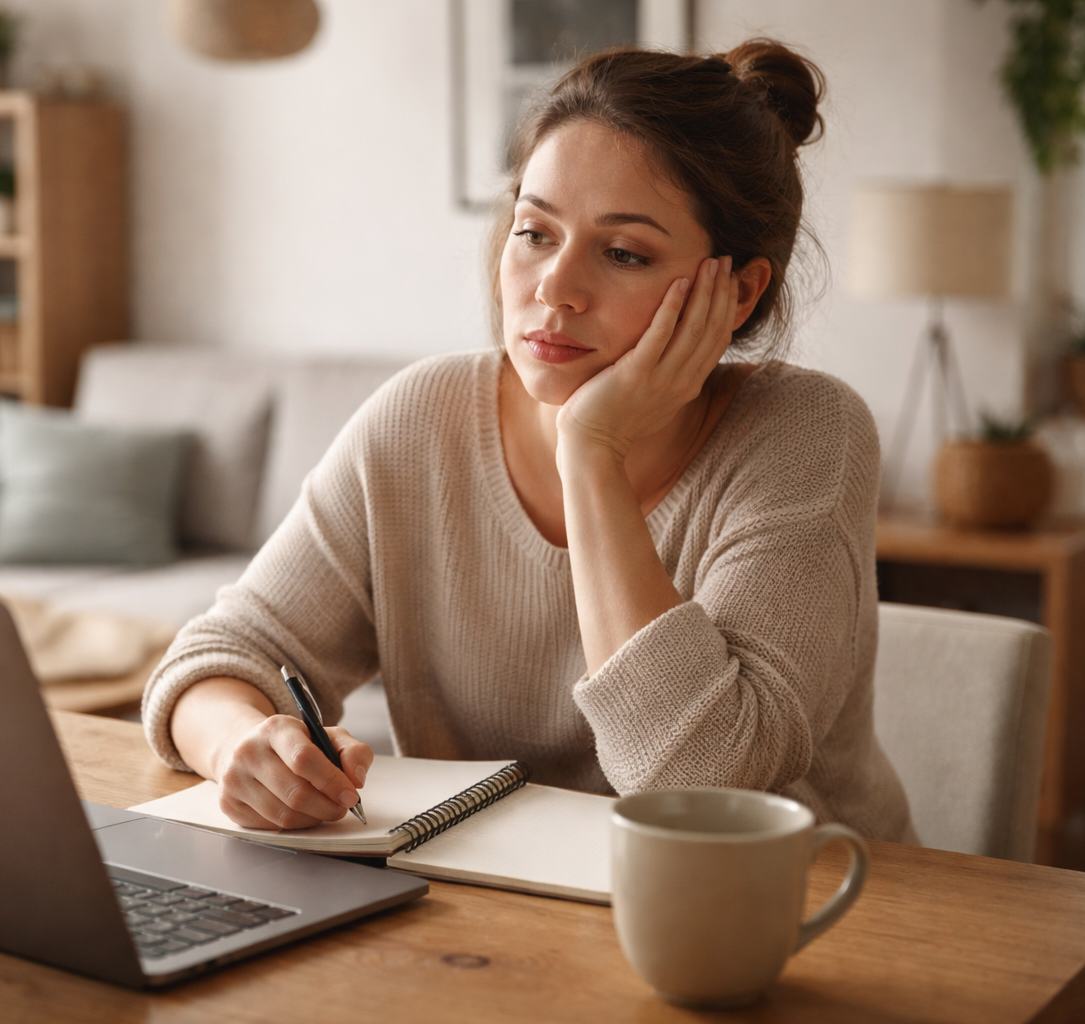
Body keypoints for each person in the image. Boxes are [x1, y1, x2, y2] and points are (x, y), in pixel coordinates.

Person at [144, 41, 916, 843]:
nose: (553, 287)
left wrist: (592, 452)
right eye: (534, 232)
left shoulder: (806, 435)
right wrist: (243, 743)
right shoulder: (419, 420)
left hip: (799, 917)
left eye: (623, 253)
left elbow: (702, 781)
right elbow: (221, 657)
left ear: (740, 291)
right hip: (489, 918)